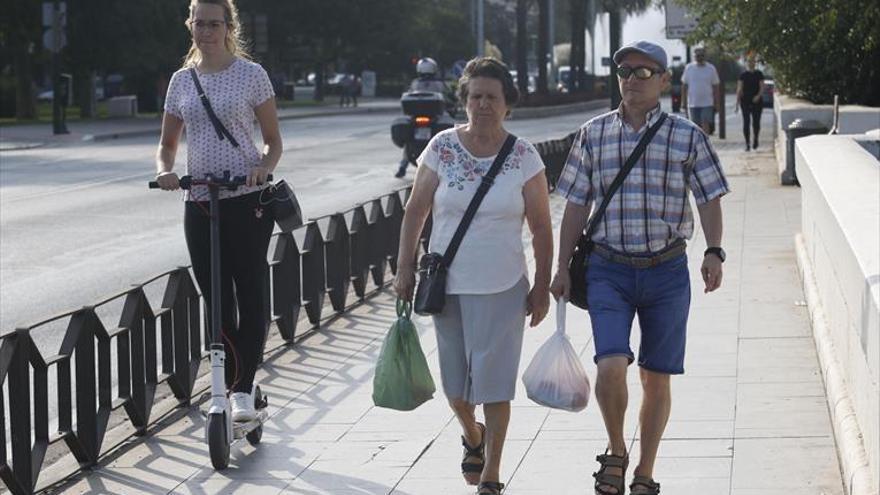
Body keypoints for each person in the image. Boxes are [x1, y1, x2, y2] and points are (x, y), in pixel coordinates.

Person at [550, 40, 729, 495]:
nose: (631, 79)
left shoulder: (687, 135)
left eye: (644, 72)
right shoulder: (593, 134)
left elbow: (708, 197)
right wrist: (561, 267)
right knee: (610, 364)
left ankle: (645, 472)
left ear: (665, 81)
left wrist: (714, 250)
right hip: (607, 270)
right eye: (624, 70)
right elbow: (575, 206)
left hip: (667, 272)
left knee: (655, 376)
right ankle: (616, 450)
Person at [393, 57, 552, 495]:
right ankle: (472, 432)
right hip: (447, 287)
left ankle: (492, 473)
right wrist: (405, 266)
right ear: (464, 100)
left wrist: (541, 287)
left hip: (504, 286)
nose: (483, 105)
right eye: (475, 96)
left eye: (492, 98)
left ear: (507, 105)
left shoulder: (524, 157)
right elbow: (415, 210)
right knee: (457, 388)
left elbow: (541, 226)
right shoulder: (441, 147)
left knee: (496, 384)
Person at [154, 0, 282, 422]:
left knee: (249, 292)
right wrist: (166, 171)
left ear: (229, 27)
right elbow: (167, 144)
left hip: (246, 201)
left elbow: (272, 141)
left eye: (214, 23)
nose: (206, 30)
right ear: (189, 25)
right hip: (200, 202)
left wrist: (263, 168)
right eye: (199, 23)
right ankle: (229, 384)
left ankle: (243, 391)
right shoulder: (181, 81)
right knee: (216, 300)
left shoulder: (251, 76)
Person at [395, 57, 451, 178]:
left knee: (408, 140)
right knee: (446, 135)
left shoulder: (415, 83)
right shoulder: (439, 83)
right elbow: (449, 96)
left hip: (416, 116)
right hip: (435, 115)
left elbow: (409, 94)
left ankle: (402, 166)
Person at [681, 47, 721, 135]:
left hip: (707, 103)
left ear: (705, 56)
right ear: (694, 56)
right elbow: (684, 86)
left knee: (705, 123)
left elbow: (716, 86)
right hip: (693, 103)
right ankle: (696, 144)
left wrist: (717, 103)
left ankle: (705, 142)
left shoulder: (711, 68)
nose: (700, 57)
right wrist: (683, 102)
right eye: (698, 55)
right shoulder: (689, 68)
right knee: (695, 125)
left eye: (702, 55)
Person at [736, 56, 766, 150]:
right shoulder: (743, 75)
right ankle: (747, 143)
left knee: (756, 122)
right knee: (746, 122)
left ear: (755, 63)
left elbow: (762, 87)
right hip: (745, 101)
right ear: (746, 63)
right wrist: (737, 103)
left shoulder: (759, 74)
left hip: (756, 101)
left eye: (752, 61)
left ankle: (756, 139)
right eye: (749, 61)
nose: (751, 63)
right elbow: (739, 88)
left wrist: (758, 96)